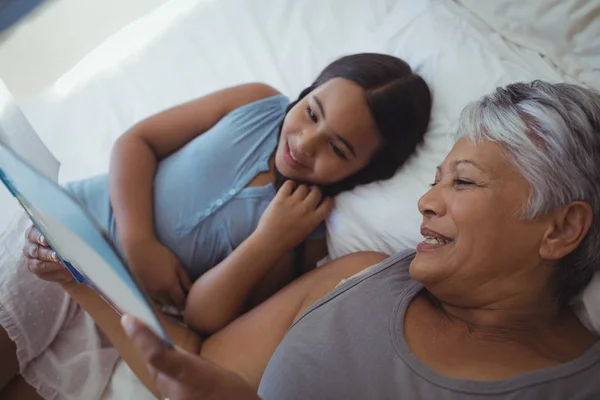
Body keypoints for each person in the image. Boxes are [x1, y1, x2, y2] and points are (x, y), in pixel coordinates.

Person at [26, 80, 600, 399]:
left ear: (562, 228)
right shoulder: (364, 276)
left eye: (464, 181)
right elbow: (194, 365)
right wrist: (78, 277)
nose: (426, 203)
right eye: (436, 178)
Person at [0, 53, 432, 399]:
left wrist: (268, 240)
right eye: (312, 113)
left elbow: (203, 318)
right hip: (70, 232)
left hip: (117, 317)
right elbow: (137, 142)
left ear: (364, 172)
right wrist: (138, 241)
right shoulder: (256, 103)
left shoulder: (306, 237)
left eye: (337, 148)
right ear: (307, 91)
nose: (303, 143)